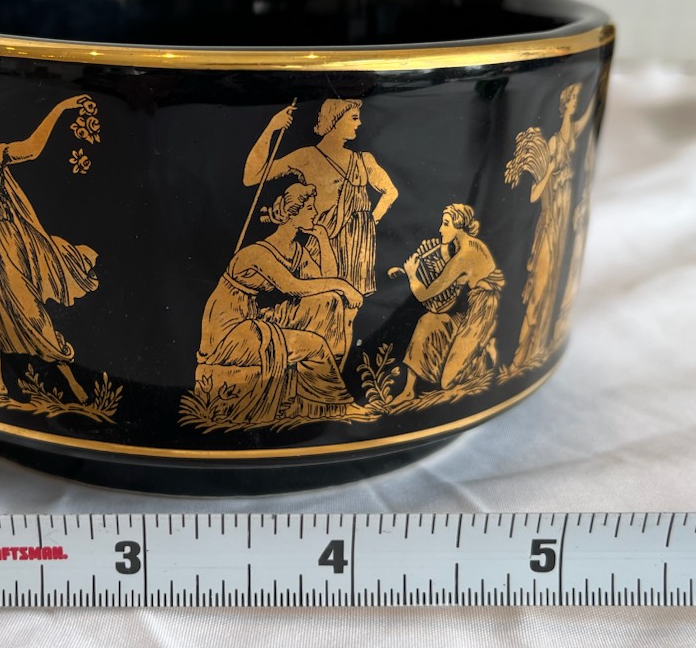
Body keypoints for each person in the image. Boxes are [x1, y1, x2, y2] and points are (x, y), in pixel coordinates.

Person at [0, 96, 98, 403]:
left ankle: (72, 381)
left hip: (9, 242)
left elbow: (32, 147)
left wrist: (60, 108)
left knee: (29, 309)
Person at [193, 184, 363, 428]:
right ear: (293, 213)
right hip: (227, 329)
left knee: (331, 301)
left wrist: (322, 239)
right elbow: (293, 287)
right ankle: (333, 405)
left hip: (252, 319)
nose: (315, 213)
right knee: (315, 346)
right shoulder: (257, 253)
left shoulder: (296, 251)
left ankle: (317, 403)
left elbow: (326, 279)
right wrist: (344, 285)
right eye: (309, 208)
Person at [241, 99, 396, 363]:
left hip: (355, 247)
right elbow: (252, 176)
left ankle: (335, 379)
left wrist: (369, 223)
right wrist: (272, 127)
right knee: (316, 309)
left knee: (348, 316)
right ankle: (306, 373)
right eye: (354, 117)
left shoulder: (363, 161)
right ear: (335, 119)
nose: (360, 123)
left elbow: (390, 192)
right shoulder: (306, 157)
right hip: (320, 244)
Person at [503, 81, 592, 377]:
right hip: (550, 220)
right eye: (573, 98)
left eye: (578, 98)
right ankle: (521, 353)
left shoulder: (571, 132)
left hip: (563, 215)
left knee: (553, 278)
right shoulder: (553, 144)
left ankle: (538, 346)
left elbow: (587, 114)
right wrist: (550, 170)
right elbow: (534, 195)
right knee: (539, 284)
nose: (576, 103)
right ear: (564, 104)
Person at [390, 205, 503, 408]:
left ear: (459, 226)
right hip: (467, 310)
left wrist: (412, 274)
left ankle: (483, 349)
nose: (441, 229)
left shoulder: (465, 255)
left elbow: (427, 293)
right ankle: (408, 390)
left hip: (480, 314)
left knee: (448, 382)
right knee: (428, 321)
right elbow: (446, 297)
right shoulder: (464, 249)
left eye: (446, 224)